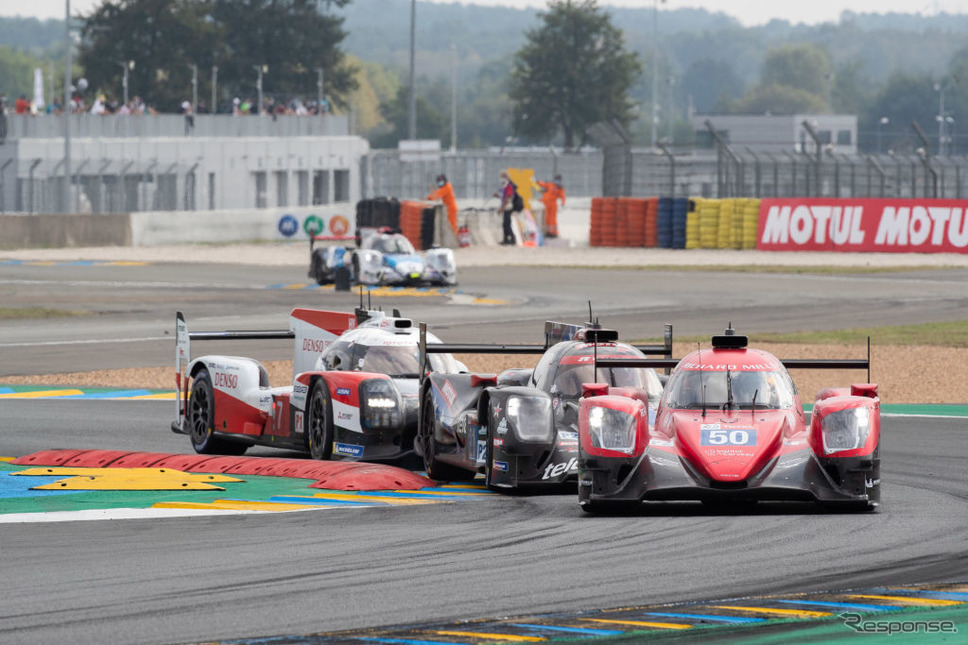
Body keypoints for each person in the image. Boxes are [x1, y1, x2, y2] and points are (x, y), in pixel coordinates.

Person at [495, 170, 523, 245]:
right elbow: (504, 197)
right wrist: (498, 196)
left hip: (508, 206)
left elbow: (507, 197)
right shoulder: (505, 186)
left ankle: (511, 238)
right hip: (506, 206)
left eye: (502, 177)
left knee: (506, 223)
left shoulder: (509, 186)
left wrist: (502, 207)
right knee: (506, 223)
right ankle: (507, 239)